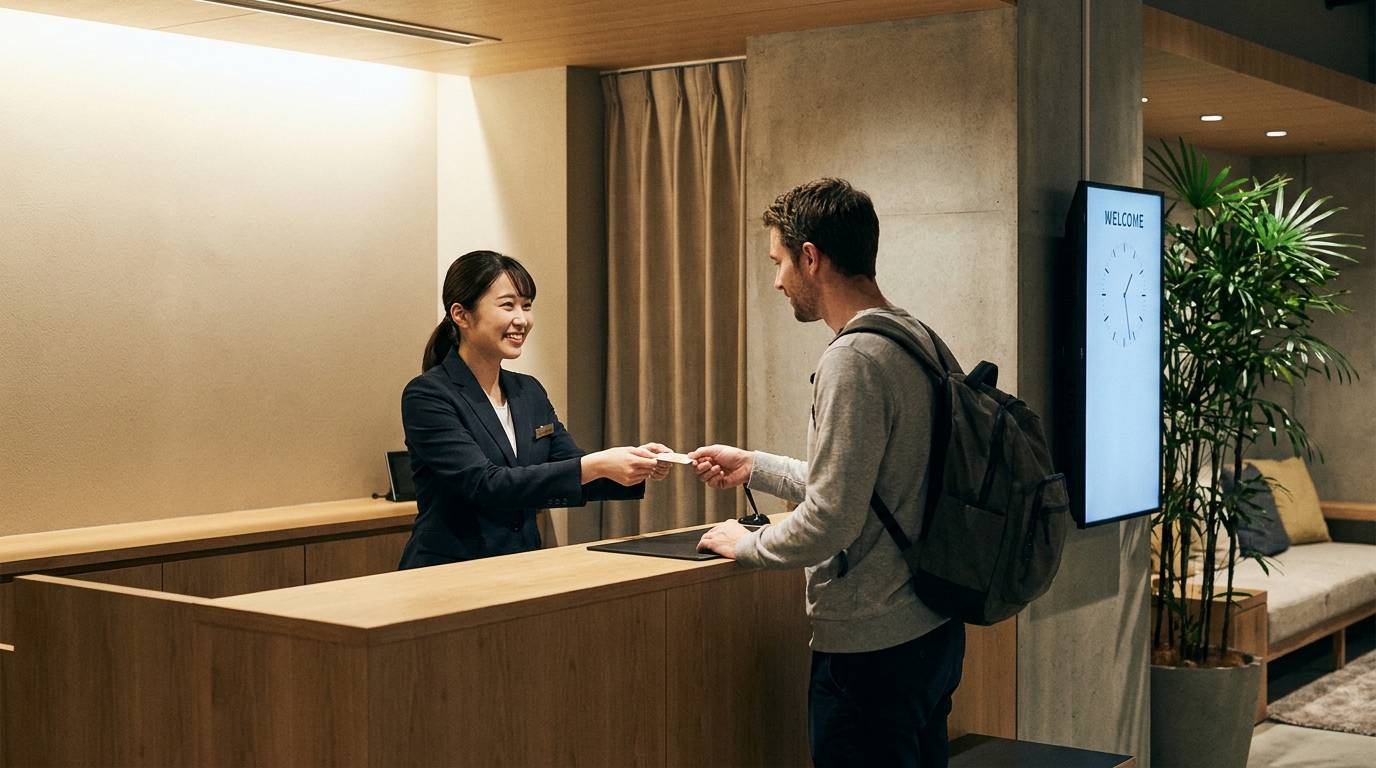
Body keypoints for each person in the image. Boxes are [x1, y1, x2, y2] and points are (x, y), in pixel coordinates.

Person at [691, 179, 965, 767]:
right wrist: (755, 466)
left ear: (811, 257)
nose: (777, 281)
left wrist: (748, 543)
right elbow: (864, 483)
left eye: (779, 262)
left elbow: (831, 520)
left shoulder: (852, 359)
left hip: (872, 648)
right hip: (932, 630)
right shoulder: (918, 338)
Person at [398, 250, 670, 569]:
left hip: (522, 568)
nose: (522, 319)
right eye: (508, 305)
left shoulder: (529, 391)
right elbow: (487, 485)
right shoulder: (428, 395)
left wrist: (632, 467)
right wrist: (597, 464)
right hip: (450, 571)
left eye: (527, 306)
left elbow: (568, 467)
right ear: (461, 315)